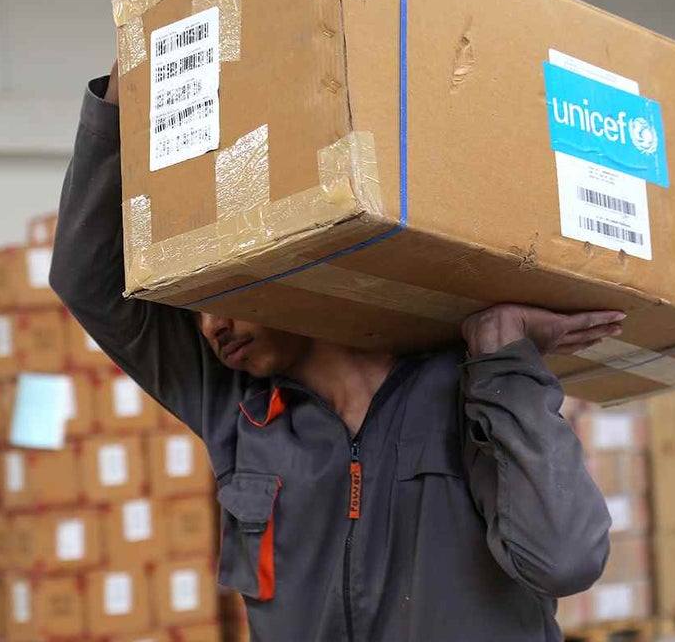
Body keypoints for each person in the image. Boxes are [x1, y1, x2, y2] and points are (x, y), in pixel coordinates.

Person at [51, 62, 615, 642]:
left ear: (296, 266)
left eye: (226, 293)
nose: (211, 326)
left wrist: (504, 358)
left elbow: (563, 559)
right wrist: (127, 92)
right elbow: (85, 278)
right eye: (195, 307)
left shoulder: (469, 388)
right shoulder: (235, 410)